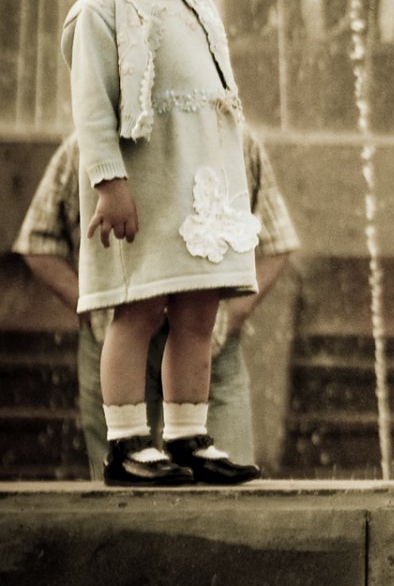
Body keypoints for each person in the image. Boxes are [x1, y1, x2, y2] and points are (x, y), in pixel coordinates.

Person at [62, 0, 265, 487]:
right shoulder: (103, 4)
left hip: (198, 184)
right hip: (146, 185)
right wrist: (109, 182)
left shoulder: (194, 0)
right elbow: (91, 106)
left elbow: (215, 98)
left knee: (199, 311)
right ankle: (125, 438)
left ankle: (186, 431)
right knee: (139, 307)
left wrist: (230, 183)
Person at [14, 128, 299, 479]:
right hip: (115, 340)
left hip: (209, 343)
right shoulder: (89, 144)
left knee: (225, 477)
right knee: (123, 481)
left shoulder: (236, 139)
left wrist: (232, 314)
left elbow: (278, 240)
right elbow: (37, 241)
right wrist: (94, 306)